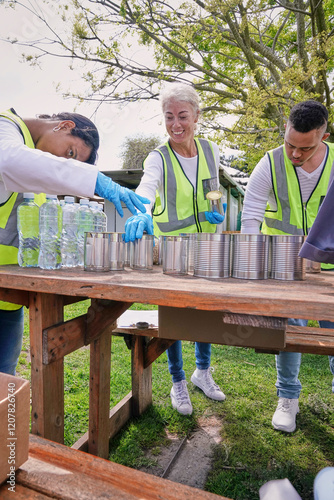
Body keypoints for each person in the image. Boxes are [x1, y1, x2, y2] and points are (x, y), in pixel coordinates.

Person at [0, 108, 150, 376]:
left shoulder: (40, 174)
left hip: (8, 300)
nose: (63, 162)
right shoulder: (6, 126)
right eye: (71, 153)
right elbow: (8, 161)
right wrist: (92, 179)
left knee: (5, 383)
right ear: (64, 125)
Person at [123, 83, 226, 415]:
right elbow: (147, 188)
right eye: (169, 117)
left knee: (206, 312)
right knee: (176, 315)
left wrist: (216, 206)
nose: (176, 124)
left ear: (197, 115)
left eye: (183, 116)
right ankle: (178, 381)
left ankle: (203, 372)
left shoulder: (211, 150)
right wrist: (141, 210)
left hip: (207, 245)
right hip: (172, 249)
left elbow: (213, 189)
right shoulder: (159, 157)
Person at [241, 100, 334, 432]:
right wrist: (251, 265)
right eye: (290, 144)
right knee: (289, 329)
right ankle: (288, 397)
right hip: (284, 266)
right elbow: (251, 215)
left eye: (305, 148)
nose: (295, 153)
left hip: (331, 271)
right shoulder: (269, 162)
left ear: (323, 135)